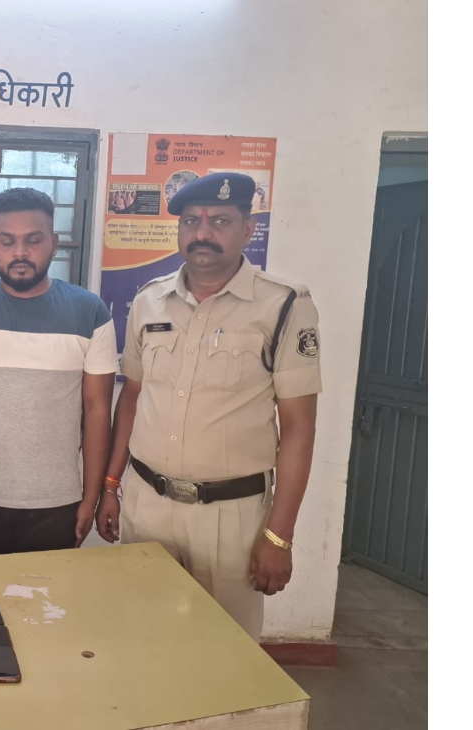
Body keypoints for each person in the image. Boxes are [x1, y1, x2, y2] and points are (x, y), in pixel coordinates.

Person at [98, 172, 321, 642]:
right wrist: (112, 486)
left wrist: (279, 535)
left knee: (227, 652)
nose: (202, 233)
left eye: (220, 221)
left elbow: (298, 427)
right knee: (143, 639)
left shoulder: (283, 305)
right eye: (191, 221)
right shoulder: (149, 301)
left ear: (248, 230)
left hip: (231, 518)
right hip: (147, 506)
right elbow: (132, 397)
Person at [0, 188, 118, 556]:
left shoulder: (90, 312)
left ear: (54, 243)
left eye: (33, 240)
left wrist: (91, 497)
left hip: (58, 503)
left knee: (50, 594)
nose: (20, 252)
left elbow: (98, 410)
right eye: (7, 241)